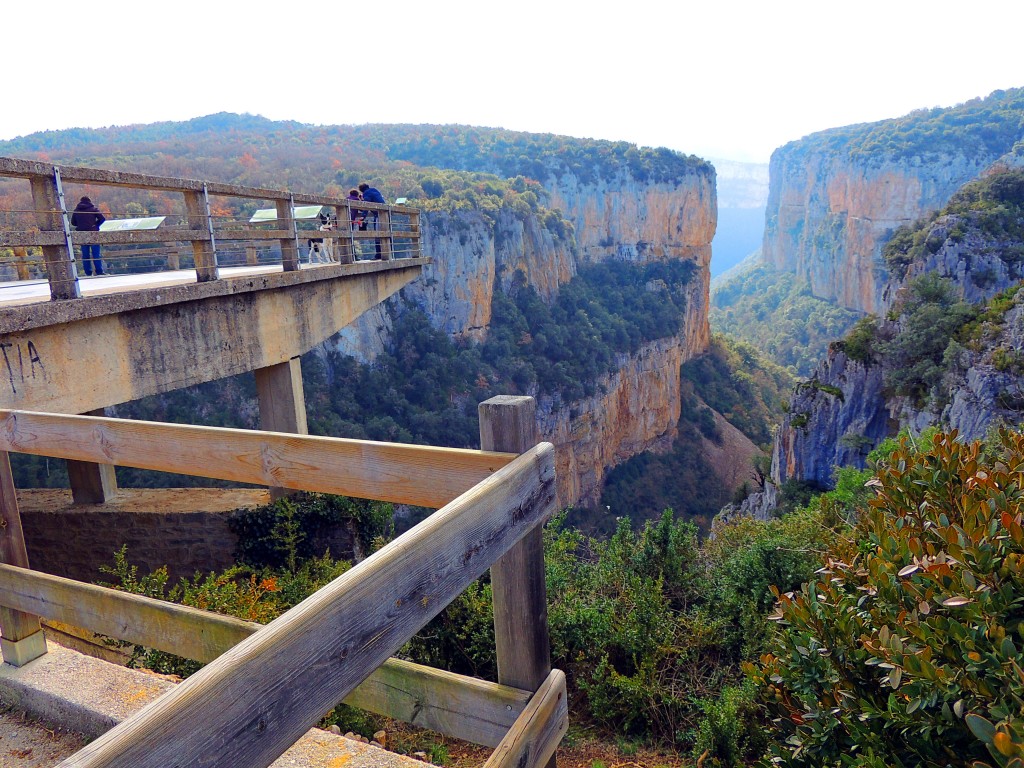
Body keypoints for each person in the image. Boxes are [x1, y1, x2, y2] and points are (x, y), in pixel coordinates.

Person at [70, 196, 106, 276]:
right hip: (93, 233)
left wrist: (80, 225)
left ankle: (88, 272)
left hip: (82, 233)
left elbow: (73, 222)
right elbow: (102, 219)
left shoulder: (76, 210)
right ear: (89, 201)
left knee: (85, 254)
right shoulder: (93, 209)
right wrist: (95, 225)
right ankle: (99, 271)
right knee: (96, 253)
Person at [358, 183, 386, 259]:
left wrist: (362, 217)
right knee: (385, 234)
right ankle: (386, 253)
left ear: (362, 190)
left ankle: (379, 255)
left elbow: (366, 205)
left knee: (377, 235)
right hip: (385, 214)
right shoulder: (375, 190)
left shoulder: (366, 193)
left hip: (379, 215)